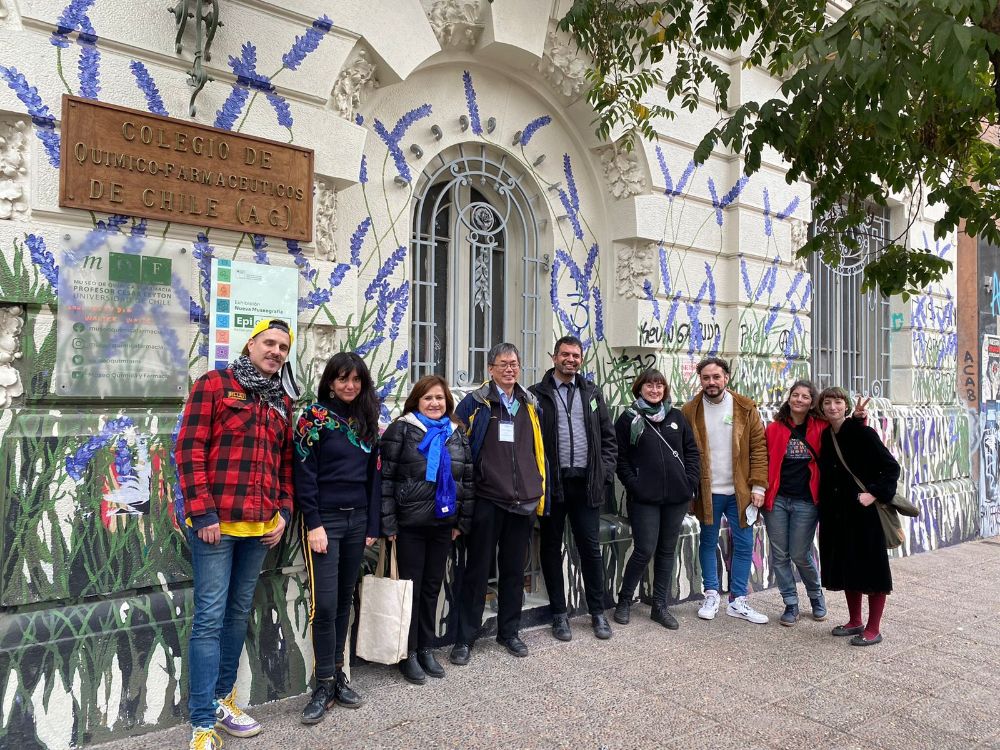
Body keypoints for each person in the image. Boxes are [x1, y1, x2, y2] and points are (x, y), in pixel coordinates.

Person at [175, 319, 297, 750]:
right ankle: (202, 723)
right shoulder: (214, 384)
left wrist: (283, 511)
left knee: (237, 613)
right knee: (208, 618)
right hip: (216, 526)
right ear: (251, 343)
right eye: (270, 342)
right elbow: (188, 449)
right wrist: (202, 513)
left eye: (284, 346)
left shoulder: (282, 401)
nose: (277, 351)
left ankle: (223, 699)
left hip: (260, 527)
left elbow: (286, 464)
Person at [294, 352, 380, 724]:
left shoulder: (367, 421)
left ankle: (338, 676)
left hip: (358, 520)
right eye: (342, 379)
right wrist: (313, 523)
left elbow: (375, 479)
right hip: (324, 522)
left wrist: (373, 525)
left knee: (345, 601)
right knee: (325, 605)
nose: (349, 386)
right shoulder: (312, 418)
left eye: (356, 380)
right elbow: (303, 474)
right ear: (330, 381)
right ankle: (322, 684)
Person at [449, 342, 547, 664]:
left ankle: (509, 632)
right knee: (477, 571)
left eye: (514, 363)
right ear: (490, 369)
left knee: (513, 571)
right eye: (503, 363)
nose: (510, 369)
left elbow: (538, 451)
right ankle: (465, 638)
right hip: (488, 499)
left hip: (523, 501)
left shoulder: (529, 402)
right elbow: (457, 450)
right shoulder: (474, 404)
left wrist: (540, 487)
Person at [380, 375, 475, 684]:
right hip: (410, 525)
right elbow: (386, 481)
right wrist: (389, 522)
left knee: (432, 588)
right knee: (412, 590)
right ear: (416, 402)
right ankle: (406, 653)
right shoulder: (402, 430)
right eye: (428, 398)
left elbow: (467, 478)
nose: (435, 403)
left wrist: (461, 521)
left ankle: (425, 648)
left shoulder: (456, 433)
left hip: (442, 525)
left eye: (439, 398)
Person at [530, 336, 617, 642]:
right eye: (565, 354)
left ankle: (597, 613)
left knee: (590, 550)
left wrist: (604, 473)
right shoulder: (536, 395)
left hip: (586, 485)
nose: (570, 359)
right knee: (551, 550)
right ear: (554, 357)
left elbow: (608, 437)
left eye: (576, 355)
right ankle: (559, 615)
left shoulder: (591, 392)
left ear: (581, 359)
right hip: (553, 486)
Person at [763, 381, 870, 626]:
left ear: (812, 402)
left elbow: (847, 438)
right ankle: (790, 603)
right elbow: (761, 460)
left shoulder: (820, 427)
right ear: (789, 398)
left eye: (805, 396)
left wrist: (859, 418)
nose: (799, 400)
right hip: (777, 500)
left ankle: (815, 596)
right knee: (780, 555)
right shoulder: (774, 428)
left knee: (800, 554)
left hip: (806, 501)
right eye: (795, 395)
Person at [681, 356, 770, 624]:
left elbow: (758, 448)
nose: (711, 382)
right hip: (707, 491)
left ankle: (738, 600)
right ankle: (711, 594)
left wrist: (758, 486)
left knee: (743, 544)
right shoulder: (689, 411)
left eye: (716, 377)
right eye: (706, 378)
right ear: (700, 380)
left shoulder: (745, 407)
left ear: (726, 378)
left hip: (740, 491)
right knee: (707, 542)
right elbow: (685, 453)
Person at [613, 369, 701, 630]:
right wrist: (635, 484)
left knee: (666, 551)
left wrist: (690, 482)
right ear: (639, 389)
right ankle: (625, 601)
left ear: (665, 389)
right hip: (644, 498)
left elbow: (691, 451)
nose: (654, 390)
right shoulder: (629, 419)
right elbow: (620, 458)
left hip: (676, 497)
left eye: (659, 386)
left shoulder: (676, 417)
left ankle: (660, 607)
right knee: (644, 549)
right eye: (649, 386)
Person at [816, 387, 900, 646]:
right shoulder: (826, 436)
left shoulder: (864, 433)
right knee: (846, 567)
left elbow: (891, 467)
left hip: (864, 514)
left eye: (838, 402)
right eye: (827, 403)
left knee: (872, 570)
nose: (832, 407)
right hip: (836, 514)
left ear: (846, 405)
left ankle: (874, 628)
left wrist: (873, 494)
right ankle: (855, 621)